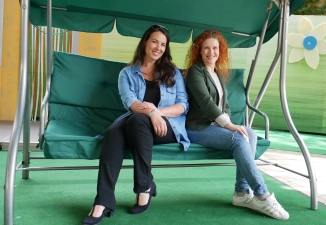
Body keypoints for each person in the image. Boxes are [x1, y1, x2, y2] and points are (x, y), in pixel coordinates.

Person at [82, 24, 189, 225]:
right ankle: (103, 200)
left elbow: (183, 105)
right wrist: (150, 112)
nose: (158, 47)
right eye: (155, 42)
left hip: (168, 127)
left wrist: (157, 113)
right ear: (145, 42)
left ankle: (143, 187)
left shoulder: (173, 73)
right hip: (137, 123)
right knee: (113, 131)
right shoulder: (127, 73)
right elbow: (131, 103)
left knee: (139, 119)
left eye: (163, 44)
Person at [184, 30, 289, 220]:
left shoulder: (216, 73)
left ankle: (241, 193)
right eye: (206, 48)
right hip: (197, 128)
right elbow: (206, 101)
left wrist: (228, 123)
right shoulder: (194, 72)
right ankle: (262, 194)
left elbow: (226, 105)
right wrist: (229, 126)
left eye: (215, 48)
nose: (211, 52)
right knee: (238, 137)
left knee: (251, 133)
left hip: (215, 127)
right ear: (199, 51)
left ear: (220, 50)